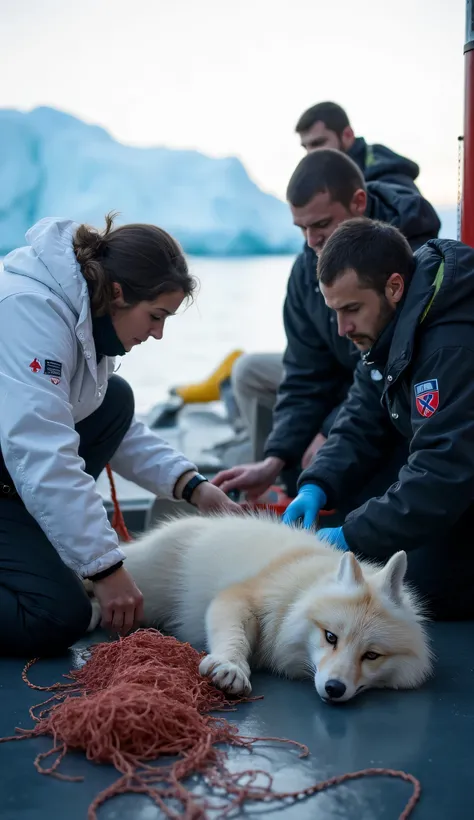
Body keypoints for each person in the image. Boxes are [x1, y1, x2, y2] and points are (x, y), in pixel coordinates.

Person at [0, 214, 241, 658]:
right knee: (56, 615)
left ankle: (37, 535)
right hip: (16, 467)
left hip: (12, 475)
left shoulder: (85, 318)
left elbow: (115, 426)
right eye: (155, 316)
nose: (158, 332)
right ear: (117, 293)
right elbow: (39, 449)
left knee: (117, 398)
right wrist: (106, 568)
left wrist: (194, 487)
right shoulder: (30, 311)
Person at [213, 149, 440, 500]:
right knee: (256, 386)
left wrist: (328, 431)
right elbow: (306, 373)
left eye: (320, 225)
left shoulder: (409, 263)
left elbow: (389, 378)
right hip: (355, 397)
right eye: (301, 227)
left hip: (405, 412)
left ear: (358, 202)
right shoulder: (307, 271)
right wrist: (277, 457)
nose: (310, 241)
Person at [282, 217, 474, 620]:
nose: (341, 328)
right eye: (334, 311)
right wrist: (317, 483)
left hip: (459, 482)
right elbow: (360, 416)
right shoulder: (391, 328)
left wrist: (351, 535)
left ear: (393, 287)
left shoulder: (450, 347)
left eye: (351, 309)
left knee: (422, 588)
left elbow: (442, 473)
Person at [295, 100, 421, 190]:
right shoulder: (327, 176)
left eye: (318, 143)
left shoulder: (383, 169)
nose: (310, 153)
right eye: (306, 147)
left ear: (348, 135)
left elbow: (413, 215)